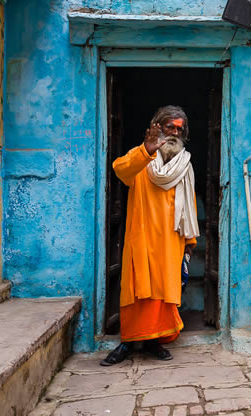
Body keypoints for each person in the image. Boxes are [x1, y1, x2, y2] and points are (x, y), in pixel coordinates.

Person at [100, 106, 199, 366]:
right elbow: (120, 170)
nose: (175, 133)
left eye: (179, 129)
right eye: (170, 127)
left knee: (163, 295)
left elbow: (190, 207)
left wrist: (190, 244)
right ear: (157, 127)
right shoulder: (141, 158)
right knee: (136, 293)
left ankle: (155, 342)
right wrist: (147, 150)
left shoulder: (185, 165)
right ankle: (128, 343)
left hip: (170, 242)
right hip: (142, 238)